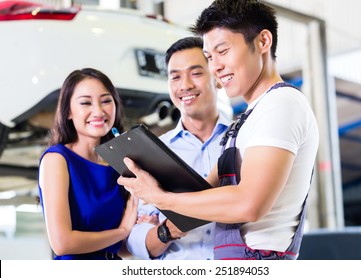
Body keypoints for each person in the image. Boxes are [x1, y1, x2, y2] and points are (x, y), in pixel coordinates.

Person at [119, 0, 319, 260]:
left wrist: (161, 198)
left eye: (223, 51)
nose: (216, 67)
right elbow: (204, 194)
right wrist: (157, 211)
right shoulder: (247, 118)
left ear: (263, 42)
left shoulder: (281, 104)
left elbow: (249, 204)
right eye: (210, 57)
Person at [127, 36, 231, 260]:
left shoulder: (242, 141)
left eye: (196, 73)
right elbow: (137, 241)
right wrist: (167, 230)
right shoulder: (154, 151)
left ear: (218, 78)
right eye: (175, 77)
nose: (185, 85)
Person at [38, 68, 138, 260]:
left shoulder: (120, 164)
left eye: (106, 101)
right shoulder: (57, 159)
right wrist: (123, 230)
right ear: (68, 112)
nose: (98, 111)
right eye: (85, 102)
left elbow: (120, 249)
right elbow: (62, 243)